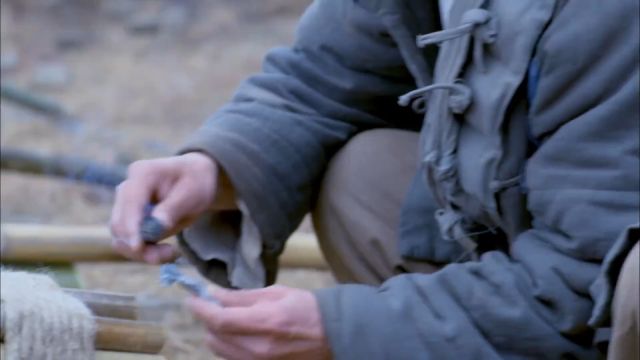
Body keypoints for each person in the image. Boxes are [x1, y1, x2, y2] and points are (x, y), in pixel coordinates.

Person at [110, 0, 639, 359]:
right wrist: (216, 167)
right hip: (554, 256)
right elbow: (327, 77)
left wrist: (349, 329)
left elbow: (587, 280)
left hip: (599, 281)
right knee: (362, 178)